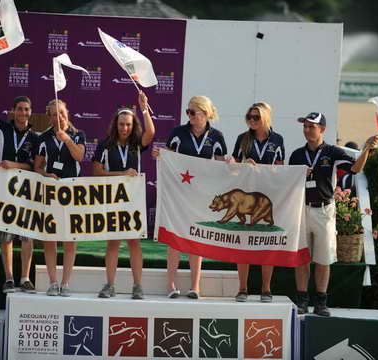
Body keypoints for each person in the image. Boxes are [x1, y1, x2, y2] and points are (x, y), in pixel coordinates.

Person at [289, 112, 378, 316]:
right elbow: (287, 181)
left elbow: (355, 169)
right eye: (305, 126)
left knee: (323, 259)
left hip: (324, 210)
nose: (307, 130)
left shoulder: (333, 152)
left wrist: (366, 150)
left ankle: (321, 302)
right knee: (301, 259)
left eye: (312, 126)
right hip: (301, 209)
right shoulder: (296, 154)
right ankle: (302, 300)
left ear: (322, 129)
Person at [153, 96, 227, 299]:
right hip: (179, 194)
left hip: (202, 195)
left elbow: (221, 165)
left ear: (204, 113)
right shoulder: (178, 132)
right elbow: (168, 155)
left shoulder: (217, 136)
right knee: (175, 239)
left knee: (197, 238)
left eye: (193, 112)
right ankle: (171, 285)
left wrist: (230, 163)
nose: (189, 116)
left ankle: (196, 286)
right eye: (188, 111)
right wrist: (159, 153)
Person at [0, 66, 39, 294]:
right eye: (20, 109)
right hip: (4, 190)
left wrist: (13, 165)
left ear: (30, 112)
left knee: (26, 236)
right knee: (6, 236)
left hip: (26, 190)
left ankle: (25, 277)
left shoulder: (35, 137)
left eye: (27, 109)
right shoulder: (3, 128)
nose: (23, 113)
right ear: (13, 112)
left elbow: (34, 167)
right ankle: (9, 279)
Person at [92, 91, 155, 300]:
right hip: (112, 199)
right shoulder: (105, 145)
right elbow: (97, 172)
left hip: (133, 200)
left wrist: (144, 108)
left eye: (128, 124)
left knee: (134, 243)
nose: (125, 128)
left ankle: (138, 286)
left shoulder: (137, 143)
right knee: (113, 243)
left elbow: (151, 133)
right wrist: (122, 174)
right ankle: (109, 285)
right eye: (121, 124)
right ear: (115, 124)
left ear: (133, 125)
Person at [231, 101, 284, 303]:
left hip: (267, 196)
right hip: (247, 197)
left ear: (266, 118)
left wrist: (268, 169)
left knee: (265, 243)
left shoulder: (278, 139)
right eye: (249, 117)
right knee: (244, 243)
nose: (252, 121)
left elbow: (280, 168)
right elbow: (233, 167)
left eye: (256, 117)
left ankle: (266, 289)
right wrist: (243, 164)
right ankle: (242, 288)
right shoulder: (242, 138)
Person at [34, 99, 86, 297]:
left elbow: (80, 157)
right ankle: (53, 282)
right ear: (49, 117)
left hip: (72, 193)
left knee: (70, 239)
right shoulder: (43, 138)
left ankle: (65, 283)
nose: (59, 117)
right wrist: (46, 175)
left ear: (68, 112)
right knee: (51, 238)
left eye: (62, 112)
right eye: (54, 114)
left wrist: (67, 139)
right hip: (51, 194)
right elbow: (37, 166)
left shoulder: (78, 134)